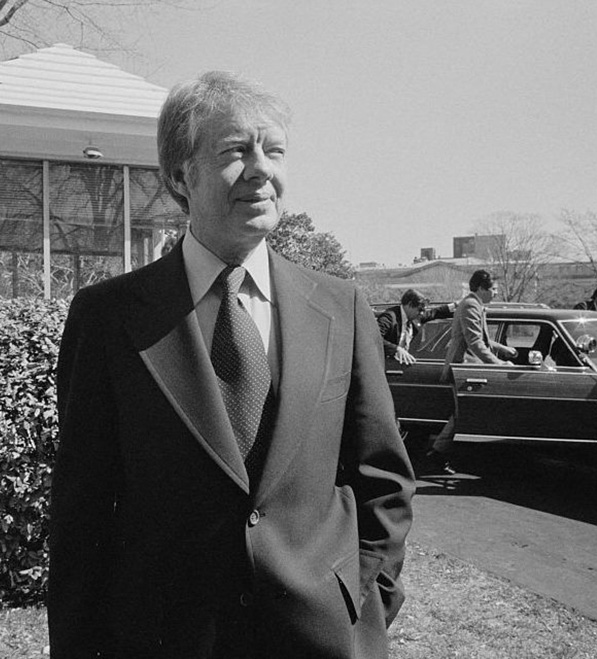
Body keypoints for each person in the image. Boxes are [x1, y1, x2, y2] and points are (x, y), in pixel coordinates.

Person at [48, 71, 415, 659]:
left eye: (274, 151)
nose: (261, 169)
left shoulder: (341, 308)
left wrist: (362, 597)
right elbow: (82, 509)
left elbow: (384, 477)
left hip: (319, 637)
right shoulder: (108, 317)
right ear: (178, 177)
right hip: (164, 639)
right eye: (235, 152)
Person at [425, 269, 516, 474]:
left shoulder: (475, 305)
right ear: (482, 289)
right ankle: (438, 453)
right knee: (462, 414)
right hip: (462, 368)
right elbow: (474, 342)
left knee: (462, 414)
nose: (495, 293)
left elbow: (479, 338)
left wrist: (502, 349)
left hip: (468, 367)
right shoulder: (470, 305)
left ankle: (439, 452)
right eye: (493, 289)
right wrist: (499, 365)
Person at [376, 289, 455, 365]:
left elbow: (435, 312)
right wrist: (396, 349)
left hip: (403, 365)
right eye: (420, 310)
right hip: (385, 366)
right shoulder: (389, 318)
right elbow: (374, 338)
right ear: (410, 305)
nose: (421, 314)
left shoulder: (415, 317)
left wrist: (455, 305)